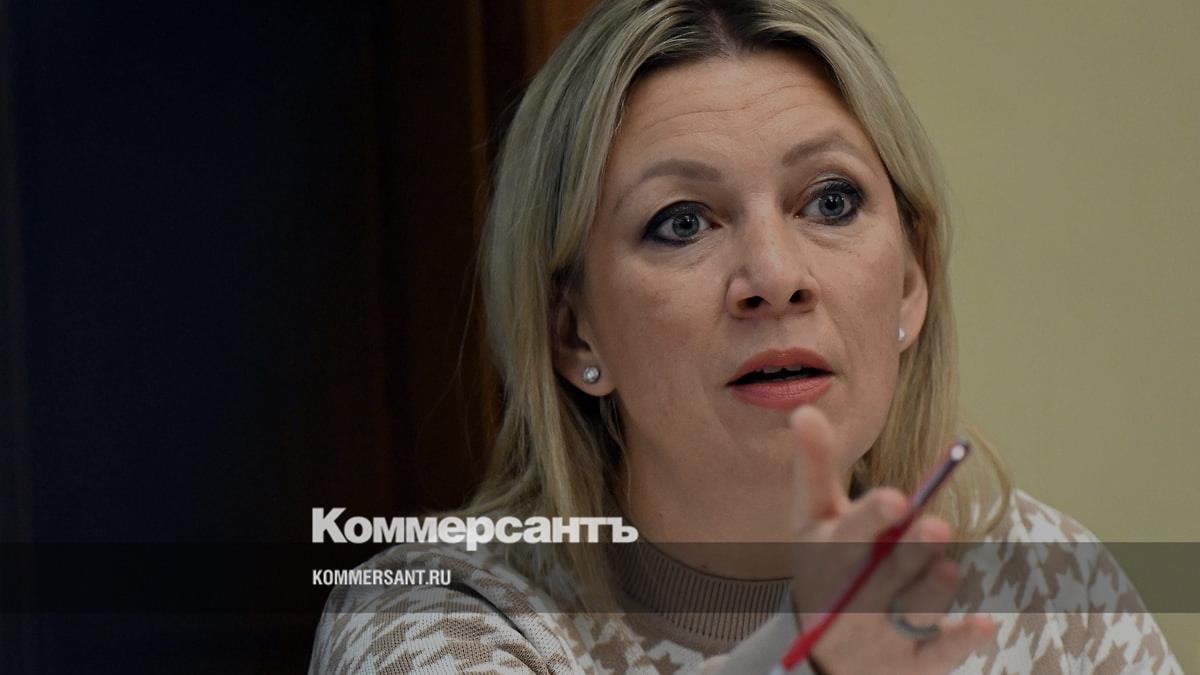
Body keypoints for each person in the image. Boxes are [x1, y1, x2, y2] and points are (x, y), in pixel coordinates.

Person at [310, 0, 1182, 672]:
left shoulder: (1046, 584)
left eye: (830, 201)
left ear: (911, 280)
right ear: (574, 332)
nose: (774, 274)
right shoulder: (430, 612)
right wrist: (806, 653)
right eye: (682, 222)